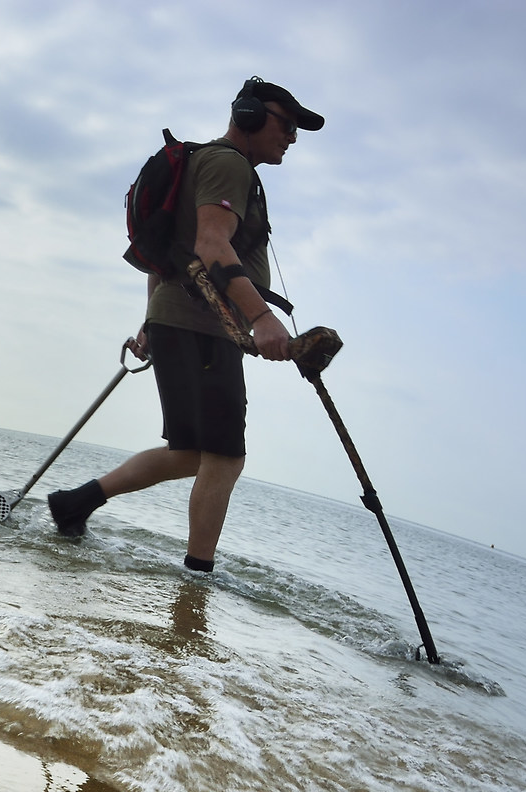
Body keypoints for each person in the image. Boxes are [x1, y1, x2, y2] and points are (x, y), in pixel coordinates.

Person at [46, 77, 323, 573]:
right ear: (251, 115)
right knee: (225, 458)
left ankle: (75, 503)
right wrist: (262, 317)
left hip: (186, 324)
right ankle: (196, 581)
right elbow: (211, 247)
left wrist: (152, 320)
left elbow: (163, 254)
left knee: (192, 454)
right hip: (204, 328)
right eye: (287, 124)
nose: (294, 137)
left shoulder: (210, 163)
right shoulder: (227, 164)